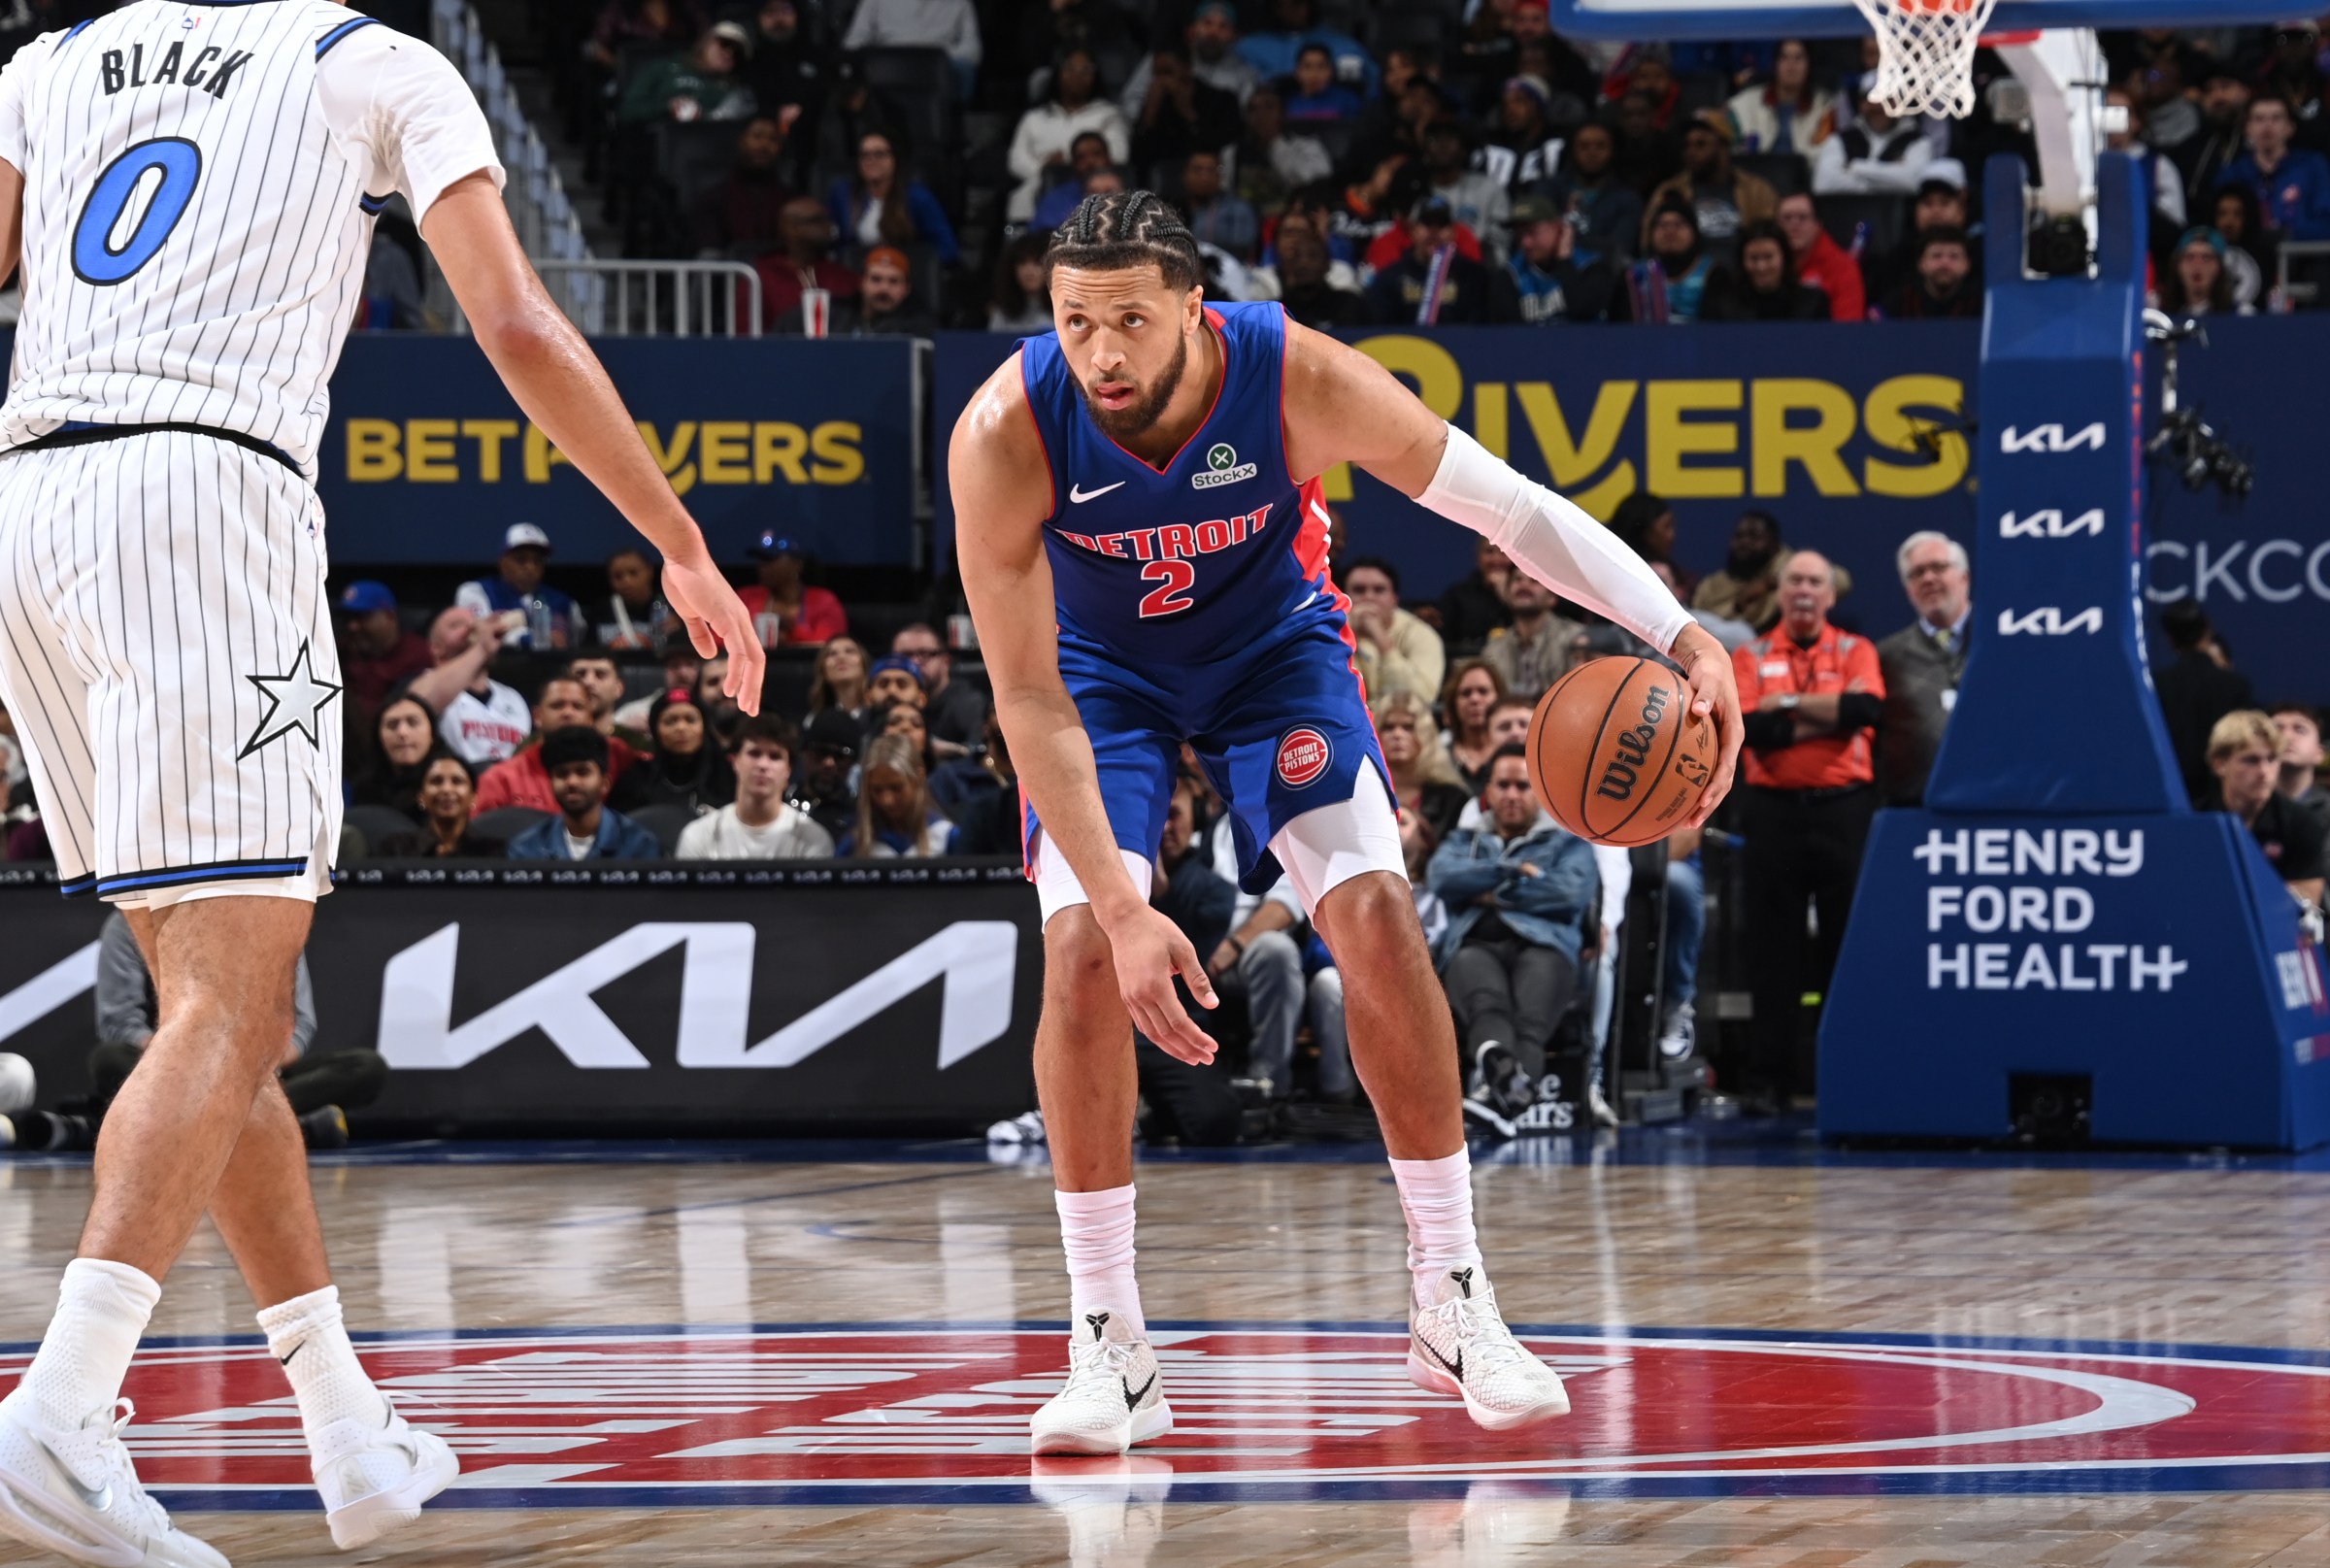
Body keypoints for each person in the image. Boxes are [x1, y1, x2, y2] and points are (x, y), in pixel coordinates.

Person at [0, 4, 762, 1559]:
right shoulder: (377, 64)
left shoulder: (52, 58)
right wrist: (680, 542)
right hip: (206, 491)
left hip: (34, 505)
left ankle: (345, 1419)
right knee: (230, 1006)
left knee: (222, 1007)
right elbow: (523, 329)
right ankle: (64, 1408)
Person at [948, 189, 1739, 1454]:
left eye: (1130, 320)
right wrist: (1125, 897)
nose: (1100, 351)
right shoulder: (1004, 429)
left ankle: (1451, 1290)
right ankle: (1108, 1334)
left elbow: (1514, 511)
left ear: (1193, 312)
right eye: (1074, 318)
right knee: (1086, 953)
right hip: (1097, 677)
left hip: (1274, 652)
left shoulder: (1294, 376)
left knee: (1373, 917)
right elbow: (1028, 694)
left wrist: (1682, 633)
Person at [1731, 551, 1882, 1114]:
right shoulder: (1750, 653)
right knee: (1774, 953)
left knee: (1847, 951)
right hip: (1773, 813)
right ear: (1778, 588)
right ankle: (1769, 1080)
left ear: (1830, 594)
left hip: (1845, 811)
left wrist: (1788, 706)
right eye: (1794, 579)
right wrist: (1824, 716)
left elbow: (1864, 710)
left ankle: (1848, 1076)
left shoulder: (1854, 648)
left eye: (1814, 581)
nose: (1803, 590)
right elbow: (1752, 726)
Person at [89, 912, 383, 1148]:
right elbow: (120, 1025)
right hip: (174, 1073)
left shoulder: (276, 922)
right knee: (109, 1060)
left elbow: (300, 1025)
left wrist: (252, 1069)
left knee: (364, 1068)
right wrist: (187, 1062)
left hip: (259, 1071)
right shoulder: (131, 923)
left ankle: (210, 1126)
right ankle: (278, 1128)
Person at [1427, 746, 1597, 1137]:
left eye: (1523, 786)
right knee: (1488, 1005)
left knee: (1529, 1024)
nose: (1512, 794)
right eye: (1503, 785)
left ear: (1540, 792)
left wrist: (1489, 891)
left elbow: (1569, 894)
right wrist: (1512, 870)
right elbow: (1442, 878)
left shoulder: (1567, 843)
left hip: (1546, 947)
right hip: (1474, 945)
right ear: (1488, 790)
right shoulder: (1463, 839)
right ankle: (1509, 1101)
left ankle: (1496, 1096)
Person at [1141, 774, 1246, 1144]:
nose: (1165, 827)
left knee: (1216, 1122)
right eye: (1155, 817)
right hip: (1118, 1028)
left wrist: (1158, 889)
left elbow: (1190, 962)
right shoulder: (1112, 885)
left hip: (1175, 1027)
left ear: (1195, 818)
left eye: (1174, 815)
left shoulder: (1212, 890)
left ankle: (1151, 1117)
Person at [1876, 530, 1970, 808]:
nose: (1928, 578)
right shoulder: (1886, 656)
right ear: (1908, 590)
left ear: (1964, 577)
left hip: (1997, 800)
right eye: (1917, 573)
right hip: (1916, 806)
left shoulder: (1998, 642)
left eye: (1939, 568)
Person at [675, 715, 836, 858]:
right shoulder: (699, 835)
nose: (763, 765)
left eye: (775, 756)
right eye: (754, 753)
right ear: (734, 761)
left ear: (788, 770)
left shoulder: (813, 840)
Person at [2209, 711, 2325, 908]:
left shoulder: (2302, 823)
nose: (2264, 772)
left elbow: (2307, 904)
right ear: (2220, 765)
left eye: (2272, 760)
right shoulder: (2197, 819)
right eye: (2251, 760)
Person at [474, 676, 641, 814]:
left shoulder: (617, 754)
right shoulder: (501, 778)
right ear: (538, 716)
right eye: (557, 706)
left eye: (577, 706)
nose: (568, 713)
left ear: (590, 718)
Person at [1009, 48, 1131, 223]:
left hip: (1093, 189)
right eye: (1070, 68)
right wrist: (1046, 168)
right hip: (1037, 187)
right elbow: (1016, 161)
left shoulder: (1109, 115)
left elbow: (1119, 152)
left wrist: (1068, 159)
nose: (1077, 76)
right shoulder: (1034, 118)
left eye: (1086, 70)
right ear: (1058, 73)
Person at [505, 727, 663, 860]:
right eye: (562, 774)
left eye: (583, 772)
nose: (572, 782)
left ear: (605, 783)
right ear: (550, 783)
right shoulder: (525, 848)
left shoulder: (638, 844)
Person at [2154, 601, 2255, 806]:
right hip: (2220, 798)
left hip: (2168, 795)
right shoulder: (2234, 686)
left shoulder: (2156, 684)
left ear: (2171, 640)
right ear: (2208, 629)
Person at [1645, 114, 1778, 265]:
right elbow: (1648, 241)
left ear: (1723, 146)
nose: (1691, 152)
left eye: (1701, 144)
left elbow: (1771, 240)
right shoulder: (1669, 191)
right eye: (1686, 145)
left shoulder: (1757, 190)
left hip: (1742, 276)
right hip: (1687, 278)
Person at [412, 606, 533, 767]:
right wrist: (481, 648)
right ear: (436, 648)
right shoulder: (427, 683)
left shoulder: (514, 698)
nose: (471, 628)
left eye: (475, 622)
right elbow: (416, 705)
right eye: (456, 625)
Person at [828, 130, 960, 265]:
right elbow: (835, 243)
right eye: (864, 155)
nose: (871, 160)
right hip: (858, 272)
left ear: (894, 159)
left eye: (879, 154)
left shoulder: (918, 197)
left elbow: (947, 248)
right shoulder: (843, 194)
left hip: (903, 273)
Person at [454, 521, 585, 651]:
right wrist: (533, 639)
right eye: (521, 559)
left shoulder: (563, 602)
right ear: (502, 561)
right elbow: (480, 636)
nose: (530, 567)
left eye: (537, 560)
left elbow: (575, 643)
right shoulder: (476, 591)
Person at [2218, 96, 2330, 244]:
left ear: (2290, 127)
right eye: (2259, 119)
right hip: (2249, 260)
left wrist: (2287, 235)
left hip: (2305, 259)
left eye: (2276, 118)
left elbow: (2326, 222)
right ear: (2247, 128)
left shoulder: (2313, 166)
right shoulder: (2232, 174)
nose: (2267, 126)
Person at [1119, 1, 1258, 120]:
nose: (1213, 32)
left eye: (1223, 27)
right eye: (1207, 23)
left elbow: (1244, 119)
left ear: (1233, 36)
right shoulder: (1163, 58)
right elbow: (1130, 101)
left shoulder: (1244, 74)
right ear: (1192, 31)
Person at [1490, 196, 1619, 324]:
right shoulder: (1510, 276)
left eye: (1532, 232)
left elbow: (1583, 312)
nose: (1525, 243)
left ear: (1558, 227)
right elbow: (1508, 334)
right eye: (1519, 234)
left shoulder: (1591, 266)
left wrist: (1564, 258)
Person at [1366, 198, 1494, 324]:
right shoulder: (1390, 277)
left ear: (1454, 232)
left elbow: (1477, 326)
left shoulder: (1473, 276)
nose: (1434, 232)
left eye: (1442, 224)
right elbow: (1382, 328)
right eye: (1427, 223)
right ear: (1413, 231)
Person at [1131, 45, 1243, 183]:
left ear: (1187, 68)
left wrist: (1188, 113)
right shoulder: (1155, 104)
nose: (1161, 82)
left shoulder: (1221, 101)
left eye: (1167, 73)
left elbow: (1219, 147)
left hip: (1210, 182)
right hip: (1162, 186)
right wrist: (1149, 115)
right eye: (1156, 74)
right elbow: (1137, 158)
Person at [614, 689, 736, 815]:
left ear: (704, 728)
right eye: (670, 721)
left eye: (690, 720)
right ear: (655, 731)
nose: (681, 728)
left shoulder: (727, 776)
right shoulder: (637, 778)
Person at [617, 17, 757, 126]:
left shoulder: (734, 92)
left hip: (708, 148)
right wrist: (667, 107)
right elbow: (627, 111)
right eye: (725, 43)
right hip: (651, 143)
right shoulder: (664, 68)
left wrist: (702, 116)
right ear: (706, 42)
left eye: (737, 52)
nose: (728, 53)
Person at [1345, 557, 1445, 708]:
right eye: (1359, 590)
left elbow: (1421, 699)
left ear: (1394, 599)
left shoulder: (1420, 634)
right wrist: (1344, 634)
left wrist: (1383, 643)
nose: (1369, 597)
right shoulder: (1330, 632)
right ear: (1344, 597)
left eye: (1379, 590)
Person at [689, 113, 793, 258]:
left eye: (773, 139)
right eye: (757, 137)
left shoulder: (791, 200)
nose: (764, 146)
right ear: (741, 141)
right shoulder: (713, 198)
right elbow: (710, 251)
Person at [1541, 120, 1641, 269]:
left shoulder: (1628, 199)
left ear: (1613, 150)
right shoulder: (1548, 190)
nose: (1592, 153)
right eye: (1584, 146)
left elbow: (1619, 247)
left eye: (1600, 146)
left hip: (1604, 277)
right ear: (1572, 150)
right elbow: (1540, 241)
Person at [755, 195, 861, 335]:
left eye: (828, 219)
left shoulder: (846, 278)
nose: (829, 227)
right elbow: (745, 333)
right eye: (817, 220)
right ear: (790, 228)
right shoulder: (761, 278)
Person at [1376, 691, 1472, 846]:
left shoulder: (1452, 799)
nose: (1397, 735)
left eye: (1408, 727)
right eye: (1388, 727)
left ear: (1425, 734)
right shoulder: (1362, 792)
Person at [1812, 76, 1934, 195]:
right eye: (1872, 99)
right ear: (1861, 104)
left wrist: (1856, 167)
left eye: (1887, 98)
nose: (1879, 106)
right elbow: (1823, 184)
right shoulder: (1839, 140)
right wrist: (1892, 180)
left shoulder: (1919, 141)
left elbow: (1915, 183)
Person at [838, 733, 956, 855]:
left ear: (919, 778)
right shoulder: (856, 843)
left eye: (896, 788)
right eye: (877, 790)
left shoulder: (946, 837)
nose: (887, 801)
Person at [1480, 573, 1584, 702]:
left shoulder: (1575, 638)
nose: (1524, 585)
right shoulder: (1494, 649)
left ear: (1552, 597)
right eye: (1517, 579)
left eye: (1534, 580)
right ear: (1506, 594)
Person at [372, 754, 503, 857]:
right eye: (436, 781)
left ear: (473, 798)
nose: (446, 789)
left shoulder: (494, 852)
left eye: (457, 781)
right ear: (421, 797)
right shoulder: (395, 850)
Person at [890, 623, 988, 760]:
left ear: (946, 661)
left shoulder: (968, 702)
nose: (914, 662)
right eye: (905, 656)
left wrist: (951, 750)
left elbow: (979, 753)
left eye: (924, 654)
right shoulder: (888, 701)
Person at [337, 581, 431, 719]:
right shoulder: (340, 653)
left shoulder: (417, 654)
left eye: (363, 617)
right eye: (348, 618)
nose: (353, 626)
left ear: (390, 615)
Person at [840, 0, 981, 93]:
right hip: (887, 65)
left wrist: (936, 58)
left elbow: (973, 51)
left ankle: (956, 124)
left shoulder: (960, 2)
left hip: (938, 66)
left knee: (963, 69)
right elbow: (853, 42)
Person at [738, 528, 848, 646]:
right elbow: (720, 639)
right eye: (760, 559)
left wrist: (792, 631)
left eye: (770, 558)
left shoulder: (823, 601)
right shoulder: (746, 597)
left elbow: (830, 646)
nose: (762, 565)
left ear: (797, 564)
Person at [1704, 219, 1829, 321]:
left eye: (1768, 257)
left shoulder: (1812, 303)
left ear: (1784, 258)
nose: (1761, 267)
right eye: (1753, 258)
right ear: (1742, 261)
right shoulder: (1723, 305)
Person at [1725, 39, 1834, 155]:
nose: (1791, 66)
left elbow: (1824, 154)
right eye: (1784, 58)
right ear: (1775, 64)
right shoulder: (1744, 103)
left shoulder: (1825, 106)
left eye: (1799, 58)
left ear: (1809, 65)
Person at [350, 694, 450, 817]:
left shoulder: (452, 782)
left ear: (432, 735)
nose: (402, 733)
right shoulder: (363, 789)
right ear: (378, 738)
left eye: (413, 723)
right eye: (392, 725)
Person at [1624, 197, 1717, 323]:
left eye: (1678, 224)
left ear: (1694, 232)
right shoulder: (1635, 274)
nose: (1669, 231)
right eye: (1662, 225)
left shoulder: (1713, 273)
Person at [1776, 189, 1865, 321]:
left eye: (1803, 217)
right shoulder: (1766, 265)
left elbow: (1849, 327)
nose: (1794, 225)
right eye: (1787, 218)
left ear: (1818, 225)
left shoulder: (1843, 267)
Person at [1692, 510, 1786, 633]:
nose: (1745, 542)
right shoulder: (1711, 585)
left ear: (1774, 545)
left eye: (1754, 536)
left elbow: (1792, 568)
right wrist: (1739, 605)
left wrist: (1767, 583)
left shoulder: (1782, 568)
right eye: (1739, 536)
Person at [1268, 217, 1367, 328]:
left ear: (1327, 264)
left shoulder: (1351, 305)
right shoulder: (1278, 315)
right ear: (1287, 266)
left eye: (1313, 256)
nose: (1304, 264)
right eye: (1296, 257)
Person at [1441, 657, 1511, 795]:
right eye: (1466, 693)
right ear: (1454, 703)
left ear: (1499, 697)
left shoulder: (1515, 751)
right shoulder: (1439, 755)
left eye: (1483, 691)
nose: (1475, 699)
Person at [790, 708, 862, 842]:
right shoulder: (781, 805)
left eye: (840, 756)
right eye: (820, 752)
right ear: (804, 753)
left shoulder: (860, 818)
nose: (829, 763)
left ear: (852, 763)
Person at [1880, 226, 1980, 320]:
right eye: (1936, 255)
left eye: (1954, 256)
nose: (1944, 263)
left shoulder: (1981, 303)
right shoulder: (1901, 301)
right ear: (1921, 263)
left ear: (1967, 264)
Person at [1435, 542, 1515, 657]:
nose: (1496, 559)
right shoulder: (1457, 595)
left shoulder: (1528, 595)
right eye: (1489, 552)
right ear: (1478, 557)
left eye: (1503, 553)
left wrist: (1505, 595)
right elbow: (1443, 641)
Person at [1030, 132, 1119, 232]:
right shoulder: (1056, 199)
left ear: (1108, 158)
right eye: (1081, 157)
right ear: (1073, 164)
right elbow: (1043, 236)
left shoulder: (1127, 192)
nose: (1090, 162)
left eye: (1097, 154)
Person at [1179, 150, 1257, 261]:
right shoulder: (1170, 209)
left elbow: (1241, 250)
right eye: (1198, 170)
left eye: (1210, 170)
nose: (1204, 177)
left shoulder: (1238, 209)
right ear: (1185, 174)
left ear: (1220, 176)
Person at [594, 548, 680, 650]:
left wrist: (679, 630)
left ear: (650, 571)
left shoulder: (672, 606)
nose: (627, 581)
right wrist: (610, 651)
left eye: (633, 573)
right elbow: (587, 650)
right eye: (618, 576)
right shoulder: (599, 612)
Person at [2158, 226, 2253, 317]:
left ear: (2219, 268)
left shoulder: (2241, 314)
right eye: (2190, 257)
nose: (2197, 265)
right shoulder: (2160, 314)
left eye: (2206, 257)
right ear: (2178, 266)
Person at [851, 245, 940, 336]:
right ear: (861, 283)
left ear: (906, 289)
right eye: (876, 279)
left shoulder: (920, 330)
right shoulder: (840, 319)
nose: (884, 288)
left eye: (893, 281)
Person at [2273, 704, 2330, 833]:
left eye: (2300, 730)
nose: (2286, 737)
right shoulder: (2245, 806)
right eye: (2277, 729)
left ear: (2319, 753)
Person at [1283, 41, 1363, 127]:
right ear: (1297, 72)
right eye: (1307, 67)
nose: (1314, 74)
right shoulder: (1286, 102)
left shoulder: (1347, 100)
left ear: (1331, 71)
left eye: (1321, 66)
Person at [990, 232, 1055, 331]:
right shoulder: (1002, 313)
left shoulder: (1063, 310)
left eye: (1037, 262)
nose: (1029, 271)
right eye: (1022, 263)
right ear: (1012, 269)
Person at [807, 635, 871, 721]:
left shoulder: (879, 715)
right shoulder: (814, 719)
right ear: (823, 671)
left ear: (864, 664)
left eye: (850, 651)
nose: (841, 657)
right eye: (832, 653)